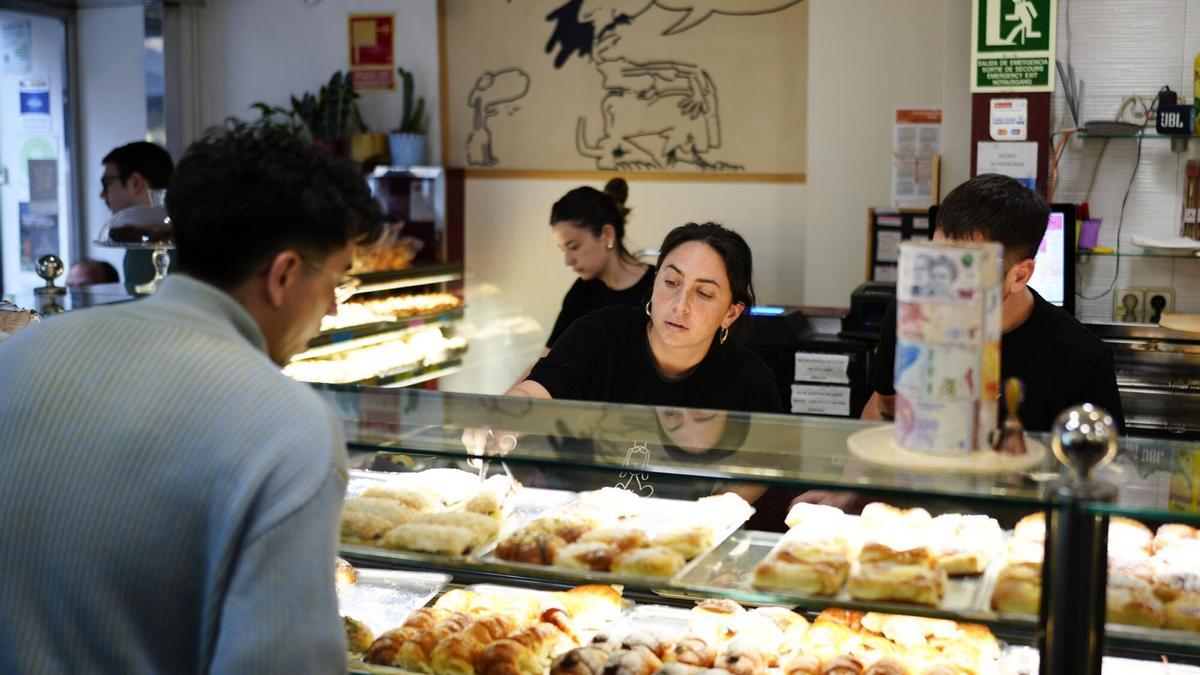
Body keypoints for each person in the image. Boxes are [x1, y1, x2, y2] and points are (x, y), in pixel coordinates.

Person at [0, 122, 384, 672]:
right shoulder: (287, 425)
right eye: (337, 281)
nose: (333, 309)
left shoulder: (25, 353)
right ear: (283, 275)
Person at [863, 173, 1125, 432]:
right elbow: (884, 405)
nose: (944, 291)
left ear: (1020, 275)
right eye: (940, 261)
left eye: (967, 269)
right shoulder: (911, 317)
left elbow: (1102, 464)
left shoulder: (1081, 359)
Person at [507, 221, 781, 411]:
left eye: (704, 293)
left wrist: (720, 497)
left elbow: (772, 462)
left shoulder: (749, 378)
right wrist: (501, 414)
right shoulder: (600, 333)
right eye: (671, 283)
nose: (680, 305)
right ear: (654, 282)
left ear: (731, 313)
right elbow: (536, 389)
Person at [99, 141, 175, 294]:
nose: (102, 194)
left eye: (107, 183)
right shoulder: (187, 226)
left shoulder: (148, 245)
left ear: (135, 182)